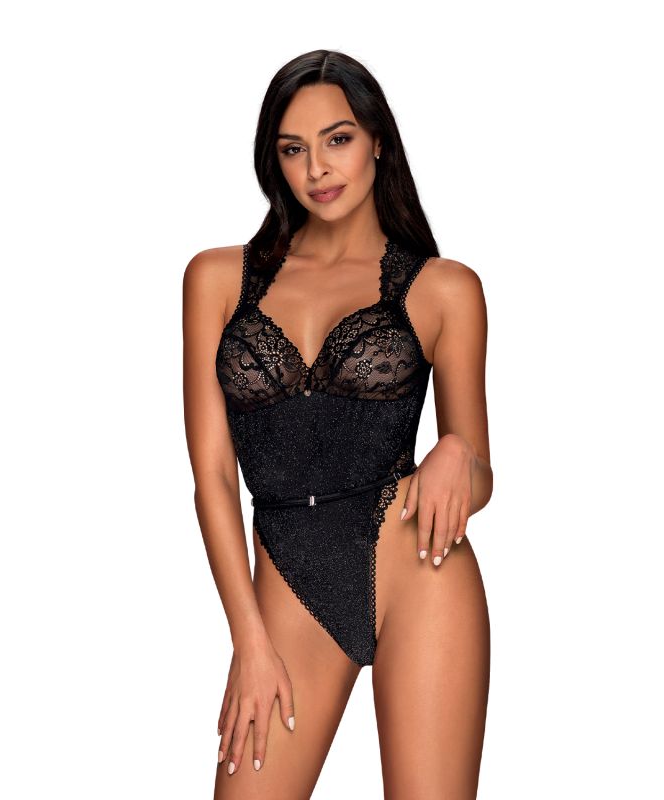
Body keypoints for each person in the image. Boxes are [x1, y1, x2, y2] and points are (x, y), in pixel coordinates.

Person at [183, 49, 492, 799]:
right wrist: (248, 640)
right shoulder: (216, 279)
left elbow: (479, 475)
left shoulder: (445, 290)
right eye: (294, 149)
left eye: (338, 139)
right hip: (288, 588)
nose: (317, 168)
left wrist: (457, 452)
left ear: (377, 140)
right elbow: (213, 478)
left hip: (419, 566)